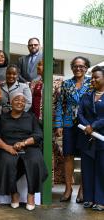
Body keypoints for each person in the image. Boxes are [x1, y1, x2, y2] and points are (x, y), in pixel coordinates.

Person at [0, 93, 48, 211]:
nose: (20, 102)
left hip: (28, 146)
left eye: (23, 101)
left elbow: (38, 135)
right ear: (11, 102)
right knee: (7, 161)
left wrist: (24, 143)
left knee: (35, 160)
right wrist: (8, 147)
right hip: (7, 147)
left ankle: (31, 194)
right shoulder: (2, 118)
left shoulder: (31, 117)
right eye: (17, 100)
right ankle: (14, 193)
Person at [55, 56, 91, 203]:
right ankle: (68, 188)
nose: (78, 68)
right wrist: (59, 124)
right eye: (75, 66)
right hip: (69, 123)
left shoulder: (91, 82)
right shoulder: (66, 83)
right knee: (68, 155)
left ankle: (82, 189)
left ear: (86, 68)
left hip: (86, 125)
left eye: (81, 66)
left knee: (84, 156)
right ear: (72, 68)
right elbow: (60, 105)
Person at [78, 66, 104, 211]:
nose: (93, 80)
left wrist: (93, 126)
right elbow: (80, 113)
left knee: (102, 169)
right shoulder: (87, 95)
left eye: (96, 77)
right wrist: (88, 127)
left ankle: (100, 200)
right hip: (87, 137)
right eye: (92, 77)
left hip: (102, 138)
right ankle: (88, 198)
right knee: (87, 169)